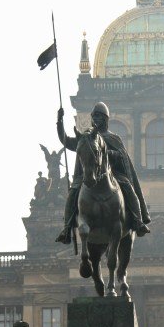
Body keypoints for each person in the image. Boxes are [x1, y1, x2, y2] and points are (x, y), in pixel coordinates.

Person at [55, 102, 151, 244]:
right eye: (94, 117)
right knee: (73, 192)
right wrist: (59, 122)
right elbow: (66, 140)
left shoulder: (113, 138)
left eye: (99, 117)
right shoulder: (86, 138)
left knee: (128, 188)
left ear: (106, 119)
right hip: (88, 176)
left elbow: (122, 157)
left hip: (113, 175)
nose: (95, 120)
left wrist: (107, 153)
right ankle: (67, 228)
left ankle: (138, 221)